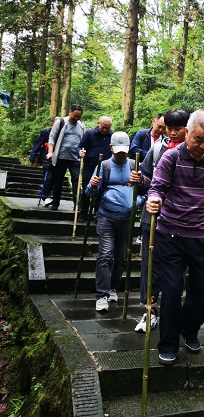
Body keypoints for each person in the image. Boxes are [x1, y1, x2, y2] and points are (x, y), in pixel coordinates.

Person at [146, 109, 204, 365]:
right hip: (170, 233)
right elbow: (157, 186)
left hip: (202, 235)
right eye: (198, 140)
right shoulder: (170, 157)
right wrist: (154, 199)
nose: (203, 146)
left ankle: (188, 329)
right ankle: (168, 342)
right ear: (187, 133)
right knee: (170, 290)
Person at [131, 109, 190, 332]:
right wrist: (139, 180)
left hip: (182, 221)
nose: (172, 133)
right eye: (169, 128)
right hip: (154, 217)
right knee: (150, 266)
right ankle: (149, 311)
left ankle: (172, 310)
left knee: (178, 269)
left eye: (178, 128)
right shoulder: (157, 149)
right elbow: (147, 181)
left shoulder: (196, 151)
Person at [86, 132, 139, 312]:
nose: (121, 155)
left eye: (124, 151)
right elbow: (90, 194)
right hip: (106, 217)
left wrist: (136, 202)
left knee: (121, 257)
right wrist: (92, 185)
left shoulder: (134, 165)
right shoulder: (104, 166)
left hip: (126, 219)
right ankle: (101, 295)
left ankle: (112, 288)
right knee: (105, 254)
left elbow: (146, 192)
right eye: (118, 152)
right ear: (111, 149)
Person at [46, 104, 86, 211]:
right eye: (75, 116)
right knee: (58, 181)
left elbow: (83, 141)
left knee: (77, 180)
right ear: (70, 112)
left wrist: (82, 152)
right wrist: (50, 152)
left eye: (79, 116)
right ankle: (55, 203)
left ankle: (77, 205)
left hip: (75, 159)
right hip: (60, 157)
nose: (77, 118)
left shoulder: (81, 125)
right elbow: (52, 137)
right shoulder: (61, 122)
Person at [77, 116, 113, 222]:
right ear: (98, 124)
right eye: (103, 127)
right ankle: (83, 213)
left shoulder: (112, 136)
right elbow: (80, 146)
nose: (105, 130)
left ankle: (97, 213)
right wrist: (80, 152)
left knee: (102, 190)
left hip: (105, 168)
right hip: (89, 166)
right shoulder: (90, 133)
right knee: (86, 189)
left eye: (108, 127)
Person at [29, 116, 61, 205]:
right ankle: (46, 196)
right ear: (52, 123)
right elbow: (37, 144)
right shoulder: (46, 132)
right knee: (48, 177)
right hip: (46, 158)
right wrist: (32, 157)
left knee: (55, 179)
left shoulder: (62, 134)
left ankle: (48, 195)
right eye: (56, 121)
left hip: (59, 159)